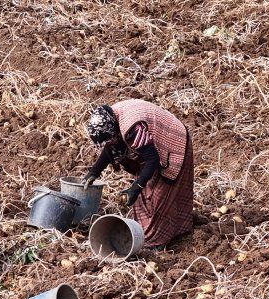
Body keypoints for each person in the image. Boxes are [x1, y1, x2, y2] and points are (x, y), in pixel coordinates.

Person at [82, 101, 194, 248]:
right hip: (152, 148)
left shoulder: (133, 129)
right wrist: (94, 171)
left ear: (114, 131)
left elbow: (153, 159)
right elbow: (110, 146)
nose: (111, 143)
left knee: (160, 197)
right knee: (142, 197)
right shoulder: (111, 120)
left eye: (112, 140)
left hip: (172, 143)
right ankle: (144, 234)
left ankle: (156, 242)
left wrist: (137, 185)